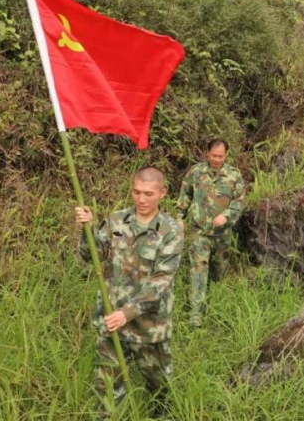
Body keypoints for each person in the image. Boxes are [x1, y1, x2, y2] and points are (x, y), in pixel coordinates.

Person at [75, 167, 183, 418]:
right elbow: (91, 255)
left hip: (149, 327)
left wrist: (128, 312)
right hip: (112, 321)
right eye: (136, 192)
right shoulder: (116, 221)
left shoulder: (170, 231)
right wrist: (87, 230)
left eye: (148, 193)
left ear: (162, 193)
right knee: (107, 391)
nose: (141, 199)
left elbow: (161, 281)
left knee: (160, 393)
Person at [176, 139, 246, 327]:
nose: (216, 159)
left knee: (218, 273)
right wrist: (179, 217)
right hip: (200, 232)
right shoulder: (196, 172)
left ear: (226, 155)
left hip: (222, 235)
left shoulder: (234, 176)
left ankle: (216, 304)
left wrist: (227, 216)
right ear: (207, 153)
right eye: (214, 155)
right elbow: (185, 194)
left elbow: (239, 202)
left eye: (220, 156)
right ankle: (195, 314)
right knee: (198, 270)